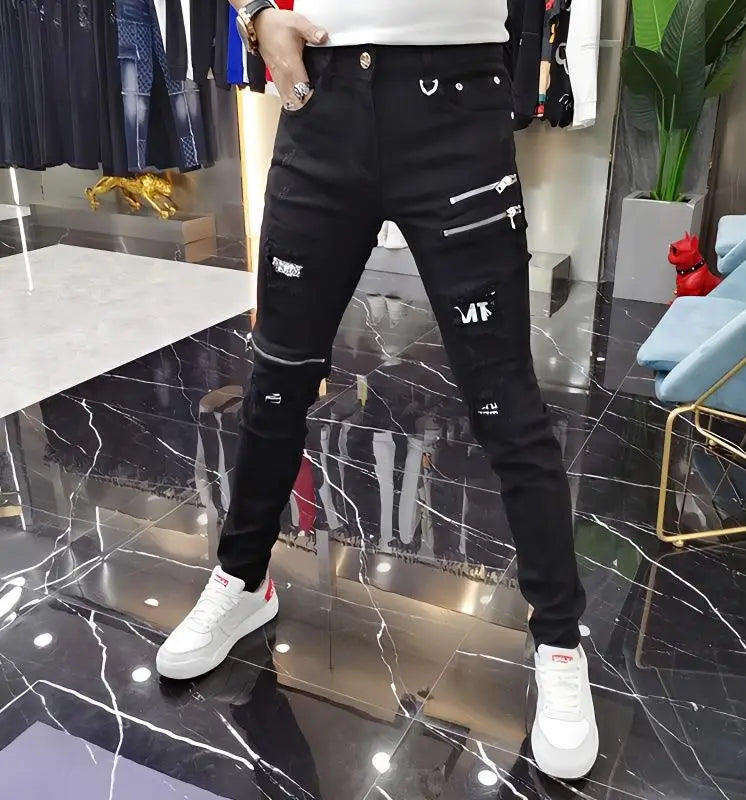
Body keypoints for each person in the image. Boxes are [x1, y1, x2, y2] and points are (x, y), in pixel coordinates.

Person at [156, 0, 598, 780]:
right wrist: (256, 14)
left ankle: (559, 640)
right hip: (321, 100)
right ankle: (243, 578)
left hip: (456, 105)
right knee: (277, 380)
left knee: (505, 400)